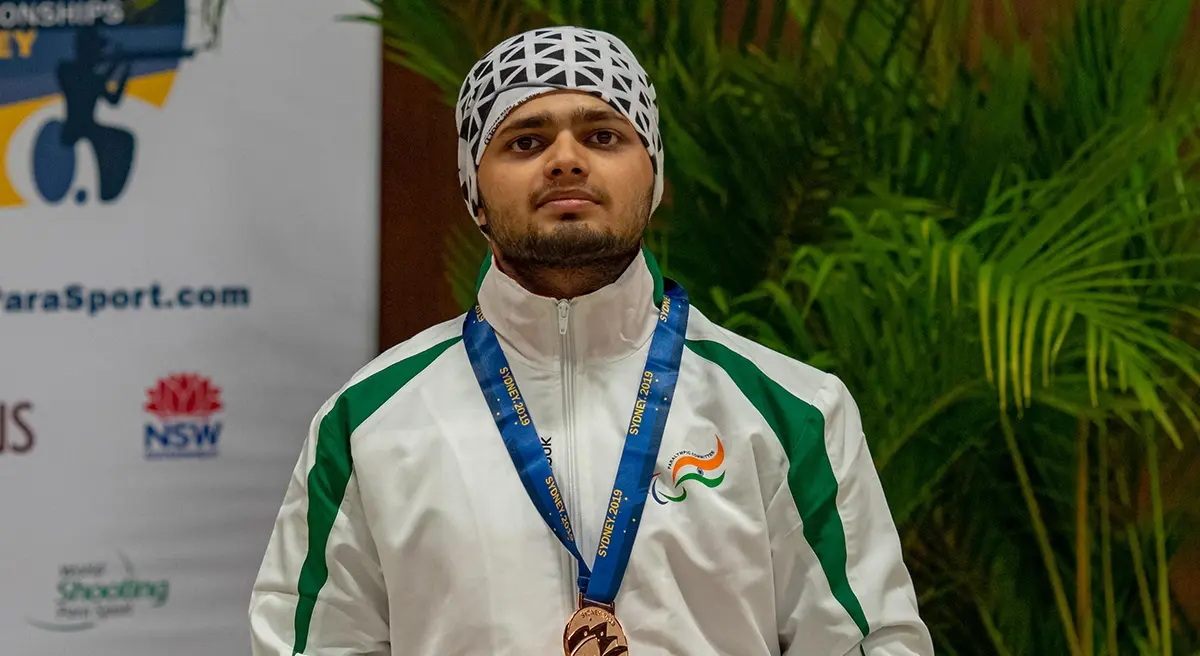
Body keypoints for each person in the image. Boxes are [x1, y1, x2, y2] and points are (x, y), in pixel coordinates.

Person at [249, 26, 933, 656]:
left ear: (655, 177)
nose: (566, 161)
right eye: (525, 141)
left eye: (604, 136)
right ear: (473, 191)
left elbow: (870, 645)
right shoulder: (370, 425)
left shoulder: (792, 412)